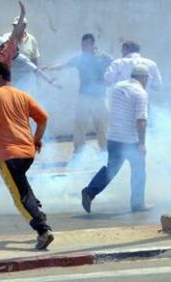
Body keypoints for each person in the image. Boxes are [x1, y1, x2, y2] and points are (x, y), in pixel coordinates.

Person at [0, 62, 53, 250]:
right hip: (28, 153)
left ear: (0, 77)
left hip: (8, 155)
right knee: (22, 187)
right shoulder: (23, 95)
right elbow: (43, 118)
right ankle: (37, 210)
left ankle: (43, 230)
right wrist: (37, 139)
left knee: (19, 197)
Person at [81, 64, 150, 213]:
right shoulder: (140, 93)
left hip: (113, 137)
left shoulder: (118, 86)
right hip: (130, 140)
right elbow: (141, 120)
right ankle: (138, 204)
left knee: (111, 169)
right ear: (144, 78)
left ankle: (89, 192)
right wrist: (142, 143)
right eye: (147, 78)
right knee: (139, 170)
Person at [44, 34, 112, 154]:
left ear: (92, 44)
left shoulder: (104, 57)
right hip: (84, 97)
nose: (84, 47)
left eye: (86, 44)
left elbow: (116, 67)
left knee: (101, 126)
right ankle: (79, 151)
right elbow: (64, 65)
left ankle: (105, 151)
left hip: (100, 97)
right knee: (80, 124)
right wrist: (49, 68)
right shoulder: (80, 59)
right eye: (82, 44)